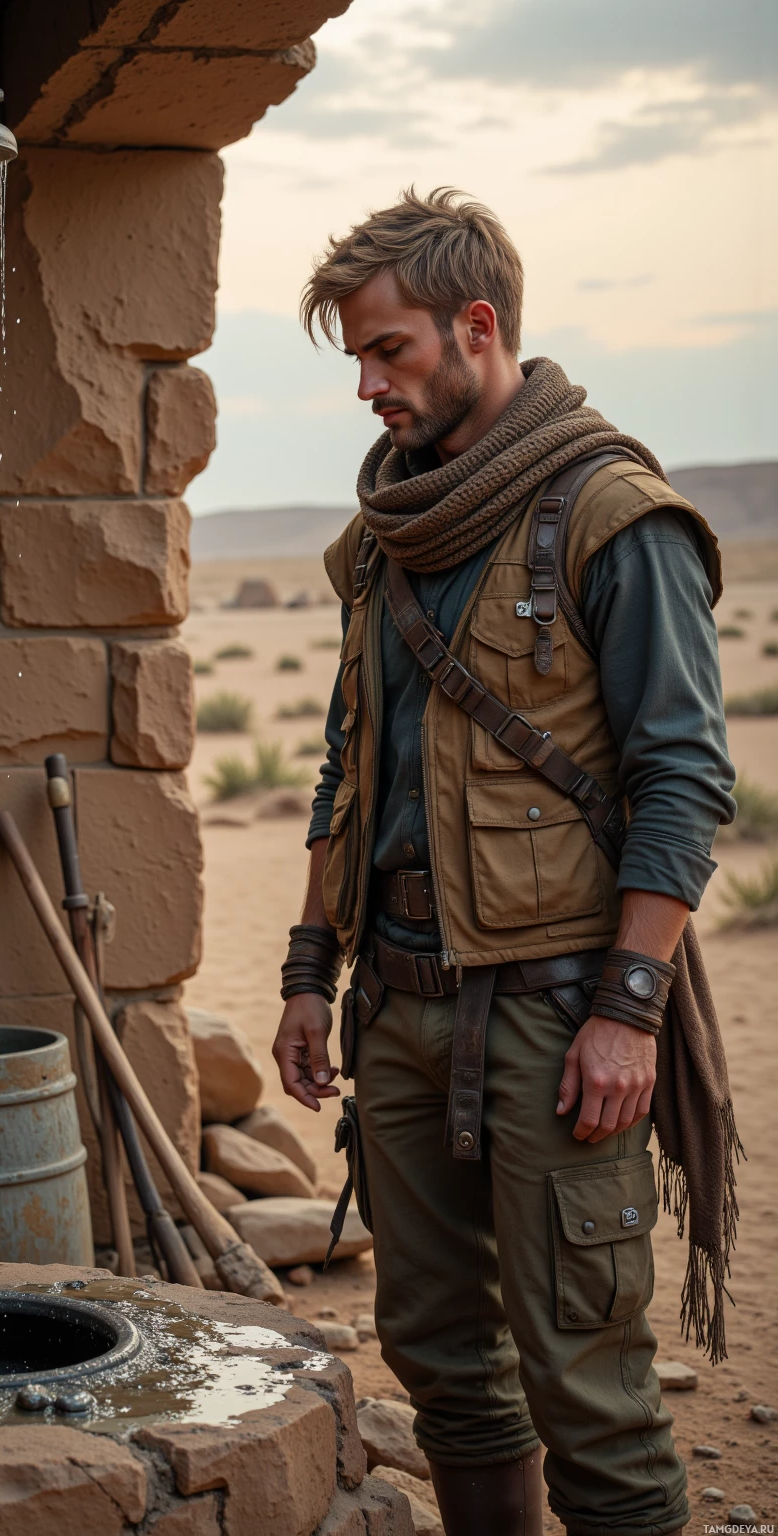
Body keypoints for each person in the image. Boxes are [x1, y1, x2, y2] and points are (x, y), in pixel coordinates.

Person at [272, 187, 739, 1536]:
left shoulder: (611, 515)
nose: (366, 385)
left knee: (591, 1396)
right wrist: (313, 971)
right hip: (402, 1007)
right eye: (356, 357)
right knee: (444, 1370)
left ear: (479, 327)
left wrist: (627, 1010)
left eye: (390, 350)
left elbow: (683, 782)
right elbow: (345, 767)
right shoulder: (384, 546)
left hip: (557, 1016)